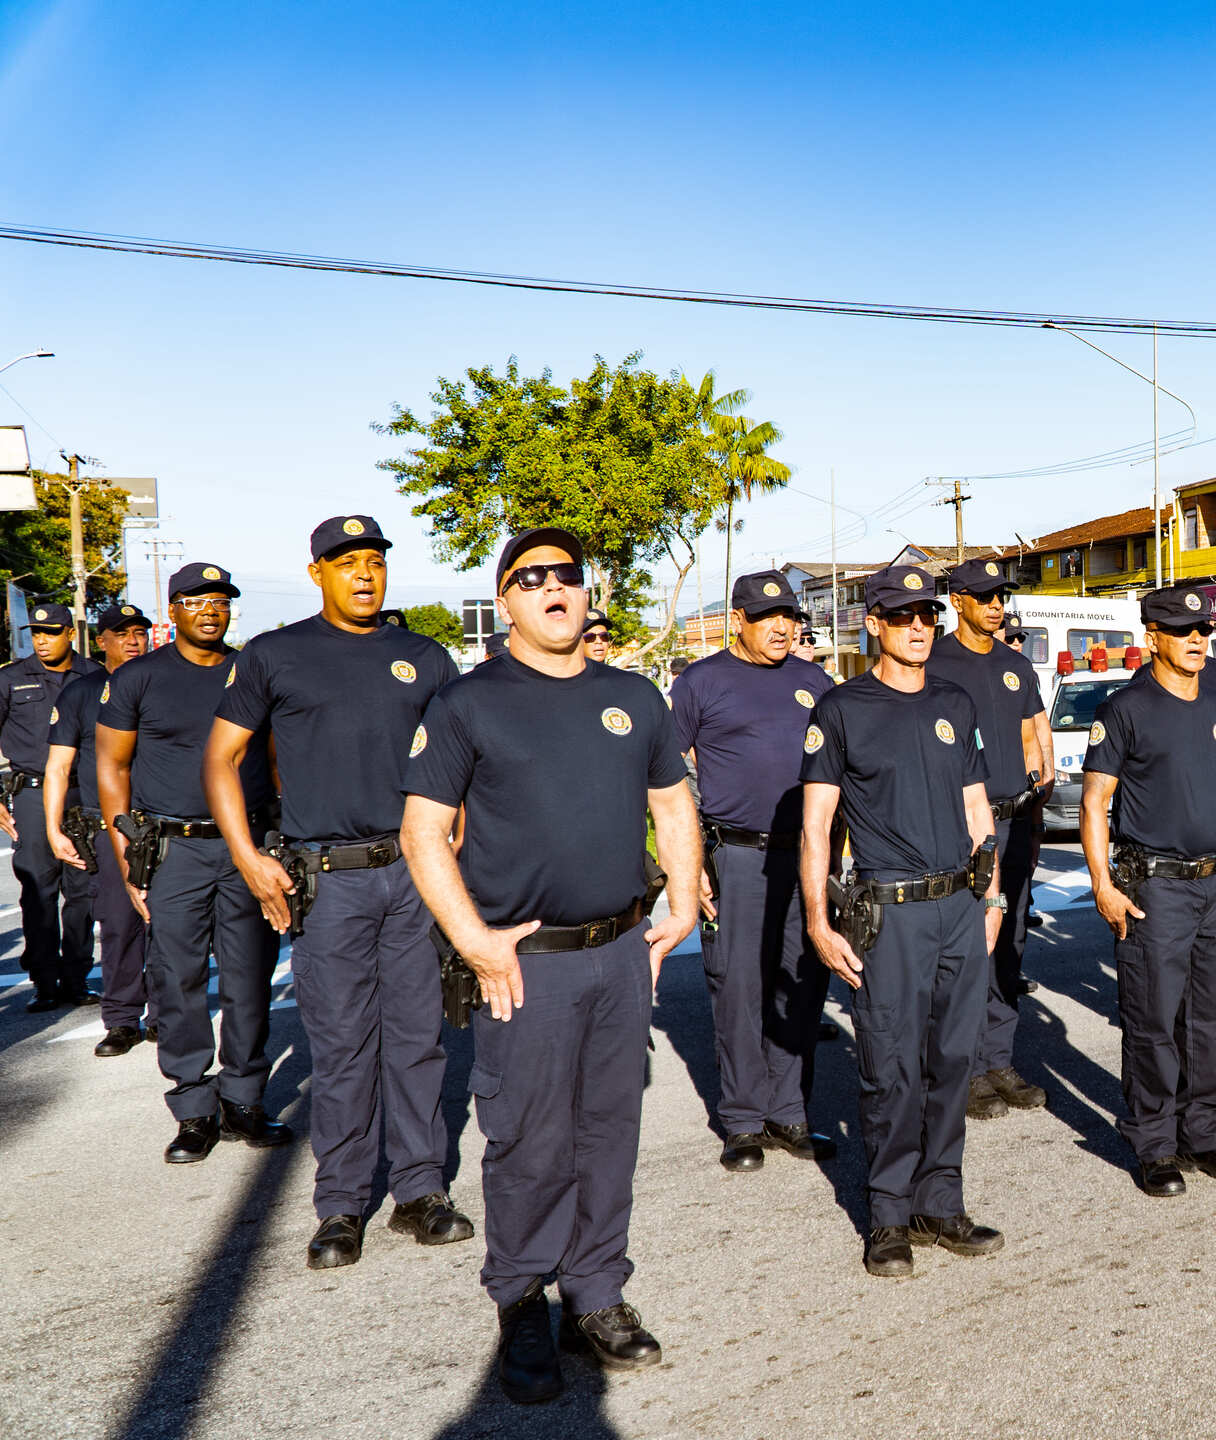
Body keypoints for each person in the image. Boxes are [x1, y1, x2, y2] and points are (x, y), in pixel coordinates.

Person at [402, 527, 698, 1403]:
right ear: (506, 602)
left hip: (620, 953)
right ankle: (523, 1298)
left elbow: (672, 801)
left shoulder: (633, 696)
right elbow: (424, 833)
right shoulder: (469, 703)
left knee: (610, 1133)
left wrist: (681, 898)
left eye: (566, 576)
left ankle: (596, 1294)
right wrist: (473, 939)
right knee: (529, 1140)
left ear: (586, 589)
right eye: (530, 579)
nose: (553, 590)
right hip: (525, 964)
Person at [205, 515, 472, 1270]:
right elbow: (222, 760)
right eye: (346, 562)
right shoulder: (274, 655)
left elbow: (464, 758)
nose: (364, 574)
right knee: (344, 1044)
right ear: (317, 570)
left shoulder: (422, 656)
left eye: (375, 562)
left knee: (418, 1040)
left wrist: (461, 835)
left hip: (414, 874)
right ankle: (343, 1204)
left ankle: (421, 1192)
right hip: (326, 881)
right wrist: (248, 856)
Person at [798, 563, 1005, 1277]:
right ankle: (887, 1214)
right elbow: (816, 827)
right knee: (891, 1070)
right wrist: (821, 923)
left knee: (953, 1063)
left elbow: (979, 808)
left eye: (928, 616)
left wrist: (993, 898)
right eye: (903, 615)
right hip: (889, 914)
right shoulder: (842, 709)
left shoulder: (955, 700)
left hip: (960, 907)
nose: (919, 627)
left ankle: (939, 1200)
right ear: (874, 625)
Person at [98, 564, 288, 1163]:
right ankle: (193, 1106)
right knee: (175, 978)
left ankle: (244, 1099)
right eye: (196, 600)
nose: (211, 610)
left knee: (249, 975)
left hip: (247, 845)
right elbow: (112, 767)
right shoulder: (139, 677)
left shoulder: (251, 672)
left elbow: (277, 757)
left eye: (221, 601)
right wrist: (128, 850)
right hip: (174, 849)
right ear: (172, 609)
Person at [1081, 583, 1216, 1196]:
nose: (1197, 641)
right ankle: (1155, 1143)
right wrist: (1102, 883)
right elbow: (1096, 799)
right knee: (1153, 1016)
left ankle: (1205, 1132)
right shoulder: (1125, 709)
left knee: (1214, 1017)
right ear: (1151, 637)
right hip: (1154, 887)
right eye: (1183, 632)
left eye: (1204, 631)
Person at [670, 572, 837, 1173]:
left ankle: (789, 1112)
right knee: (739, 989)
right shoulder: (700, 682)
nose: (782, 627)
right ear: (737, 618)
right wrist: (689, 865)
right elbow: (665, 778)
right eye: (768, 617)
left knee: (801, 983)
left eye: (789, 616)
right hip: (736, 855)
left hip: (807, 856)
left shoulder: (814, 680)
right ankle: (742, 1121)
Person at [928, 557, 1051, 1121]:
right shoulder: (935, 661)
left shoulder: (1014, 664)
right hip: (961, 825)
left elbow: (1034, 733)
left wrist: (1039, 803)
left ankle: (999, 1058)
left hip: (1017, 819)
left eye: (1000, 596)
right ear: (959, 601)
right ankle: (967, 1070)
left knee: (1011, 945)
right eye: (984, 597)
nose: (996, 605)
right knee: (968, 947)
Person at [46, 604, 150, 1051]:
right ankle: (123, 1018)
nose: (132, 640)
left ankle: (167, 1012)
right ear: (100, 640)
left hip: (164, 825)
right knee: (119, 922)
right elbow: (58, 766)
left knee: (171, 926)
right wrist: (53, 827)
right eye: (120, 632)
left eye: (139, 632)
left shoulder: (164, 681)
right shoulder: (81, 693)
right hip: (109, 828)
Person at [2, 601, 103, 1011]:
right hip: (31, 792)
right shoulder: (10, 678)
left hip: (81, 794)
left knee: (82, 891)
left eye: (52, 632)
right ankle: (45, 981)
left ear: (70, 634)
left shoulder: (94, 676)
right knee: (38, 891)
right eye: (37, 634)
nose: (43, 641)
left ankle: (76, 979)